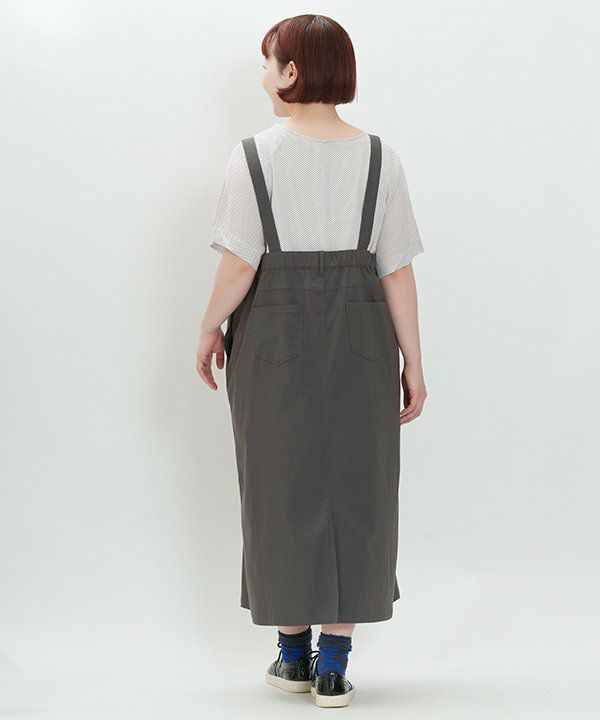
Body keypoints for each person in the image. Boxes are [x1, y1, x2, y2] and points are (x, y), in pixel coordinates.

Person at [196, 14, 426, 709]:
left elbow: (241, 263)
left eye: (268, 64)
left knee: (277, 485)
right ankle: (334, 664)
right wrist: (414, 363)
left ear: (292, 72)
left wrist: (207, 326)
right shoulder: (382, 158)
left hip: (272, 335)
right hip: (364, 336)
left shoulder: (253, 156)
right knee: (361, 486)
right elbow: (396, 270)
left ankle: (292, 654)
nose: (264, 77)